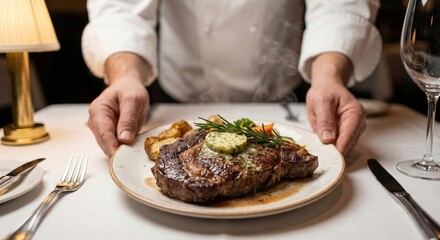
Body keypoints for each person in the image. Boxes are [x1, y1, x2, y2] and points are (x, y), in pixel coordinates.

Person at [82, 0, 382, 158]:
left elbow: (338, 4)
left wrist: (329, 76)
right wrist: (124, 77)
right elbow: (120, 7)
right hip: (181, 96)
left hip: (288, 101)